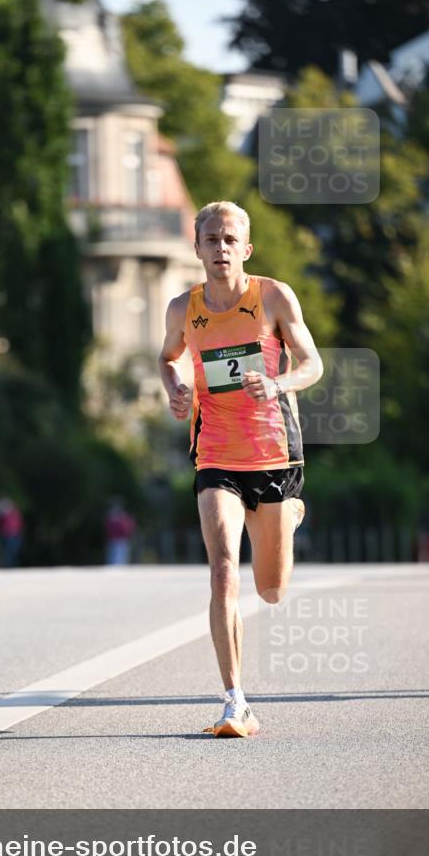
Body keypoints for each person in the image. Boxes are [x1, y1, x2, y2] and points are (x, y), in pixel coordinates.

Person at [157, 201, 323, 737]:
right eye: (211, 240)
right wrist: (176, 388)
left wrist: (277, 384)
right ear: (198, 247)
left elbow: (312, 363)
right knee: (223, 566)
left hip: (274, 450)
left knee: (271, 589)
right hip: (216, 452)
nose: (220, 249)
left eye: (230, 240)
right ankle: (235, 702)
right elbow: (167, 358)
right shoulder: (183, 309)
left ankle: (288, 516)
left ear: (245, 249)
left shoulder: (272, 296)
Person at [104, 498, 136, 565]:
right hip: (114, 540)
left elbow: (129, 528)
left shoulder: (123, 517)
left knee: (121, 560)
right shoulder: (112, 517)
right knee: (113, 560)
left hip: (122, 540)